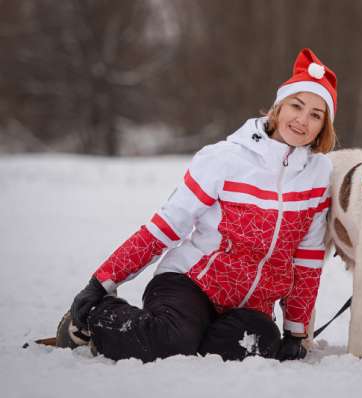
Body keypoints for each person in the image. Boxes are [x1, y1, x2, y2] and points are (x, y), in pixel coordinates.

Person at [56, 48, 338, 363]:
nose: (302, 120)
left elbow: (307, 260)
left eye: (316, 114)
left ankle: (184, 336)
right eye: (296, 106)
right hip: (189, 283)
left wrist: (296, 332)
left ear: (323, 126)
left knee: (260, 344)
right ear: (278, 107)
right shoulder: (225, 158)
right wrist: (102, 282)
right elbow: (165, 227)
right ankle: (97, 320)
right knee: (173, 339)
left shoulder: (319, 174)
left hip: (248, 308)